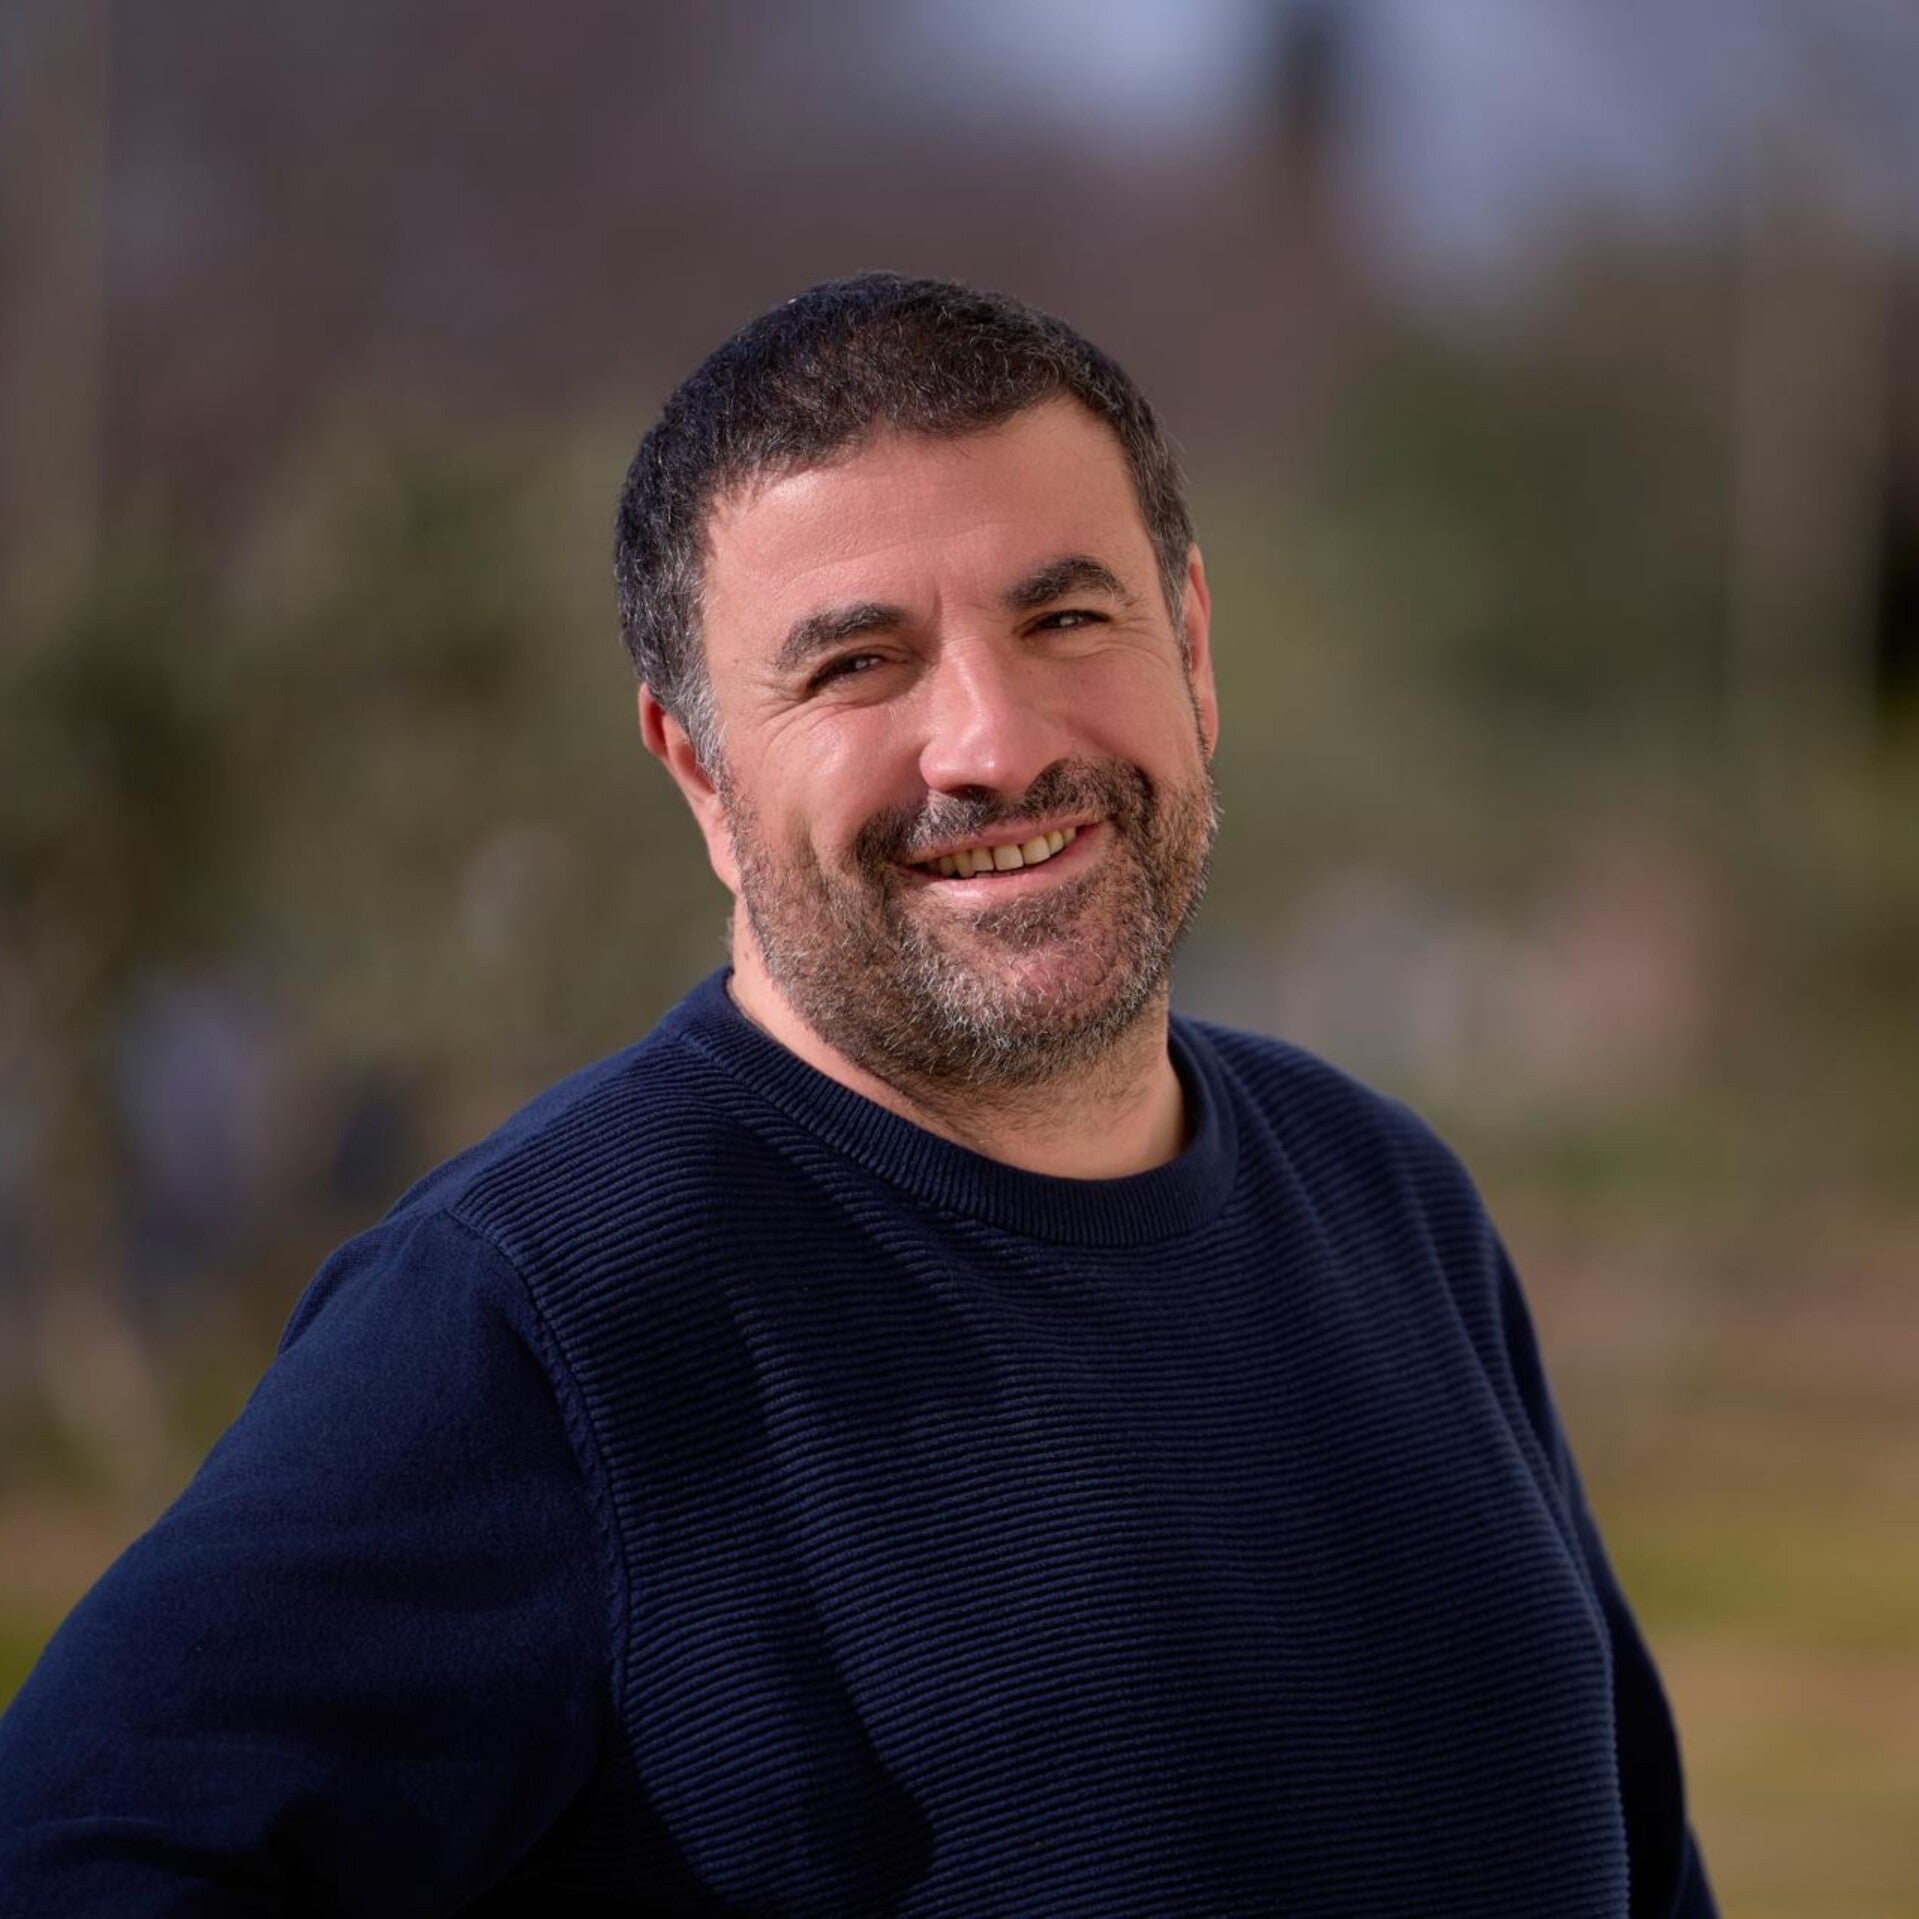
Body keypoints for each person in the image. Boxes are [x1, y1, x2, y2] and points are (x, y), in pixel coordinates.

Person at [0, 274, 1716, 1916]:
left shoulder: (1388, 1202)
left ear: (1192, 646)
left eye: (1066, 618)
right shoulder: (539, 1318)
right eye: (856, 665)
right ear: (701, 770)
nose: (996, 743)